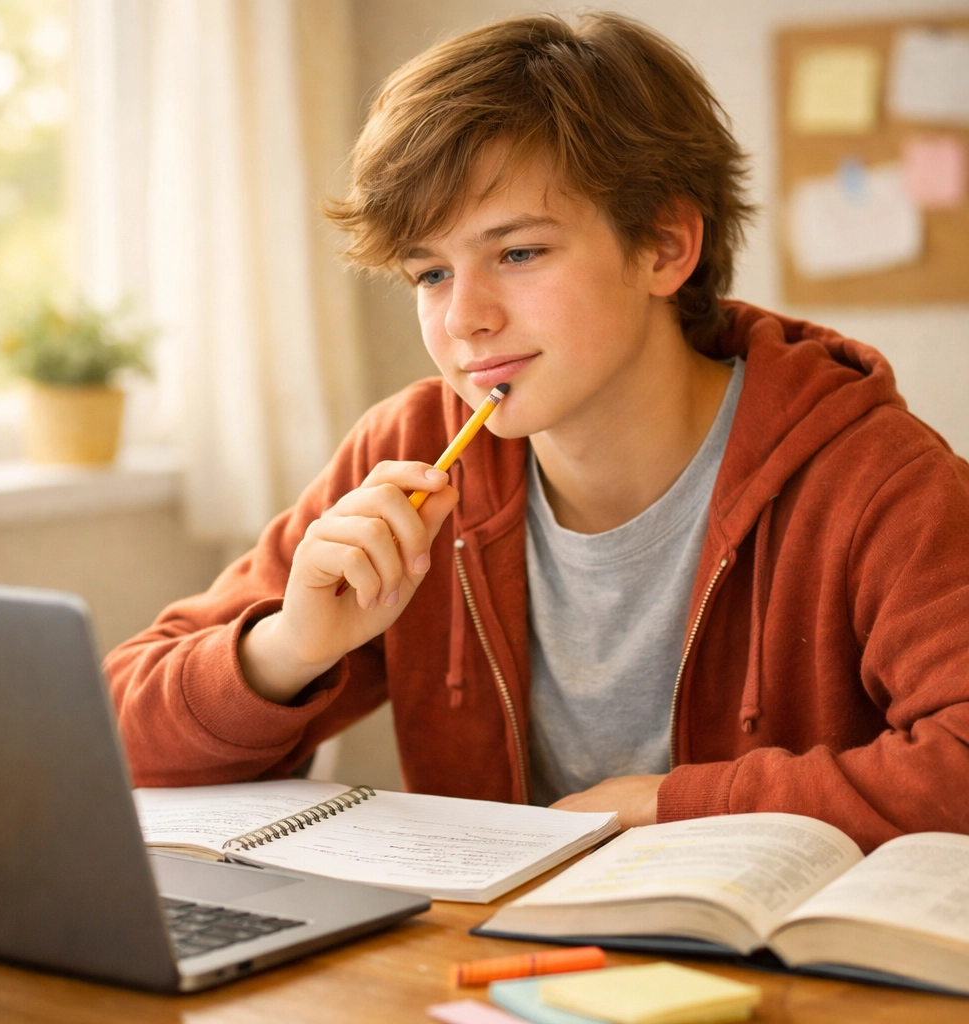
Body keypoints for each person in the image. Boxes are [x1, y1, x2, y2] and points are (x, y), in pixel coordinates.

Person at [105, 12, 969, 853]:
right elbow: (115, 728)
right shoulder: (405, 451)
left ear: (667, 247)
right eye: (431, 272)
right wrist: (286, 649)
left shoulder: (870, 473)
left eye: (518, 253)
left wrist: (668, 806)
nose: (465, 320)